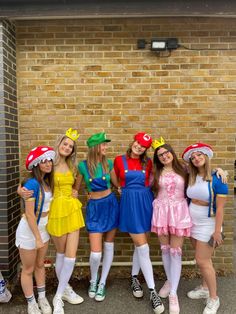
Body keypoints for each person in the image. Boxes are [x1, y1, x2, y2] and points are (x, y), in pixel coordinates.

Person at [19, 128, 85, 314]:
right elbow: (32, 181)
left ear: (73, 150)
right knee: (62, 254)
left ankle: (58, 296)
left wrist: (75, 192)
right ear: (59, 145)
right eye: (65, 144)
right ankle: (63, 290)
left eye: (70, 146)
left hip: (72, 209)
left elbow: (75, 187)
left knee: (71, 257)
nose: (67, 147)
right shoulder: (49, 165)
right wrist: (20, 191)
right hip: (55, 211)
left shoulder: (73, 166)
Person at [114, 132, 165, 314]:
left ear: (145, 149)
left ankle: (134, 277)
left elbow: (170, 168)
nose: (139, 147)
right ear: (133, 141)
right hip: (130, 204)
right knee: (143, 247)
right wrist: (119, 188)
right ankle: (153, 291)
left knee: (141, 244)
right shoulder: (119, 160)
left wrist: (217, 171)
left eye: (143, 146)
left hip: (146, 202)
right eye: (138, 143)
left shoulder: (149, 163)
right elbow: (114, 176)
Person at [182, 142, 228, 314]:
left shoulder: (218, 178)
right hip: (192, 222)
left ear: (206, 156)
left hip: (208, 225)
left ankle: (214, 298)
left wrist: (217, 231)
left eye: (199, 155)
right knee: (204, 260)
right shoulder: (192, 176)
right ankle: (204, 287)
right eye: (193, 157)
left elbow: (221, 208)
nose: (196, 158)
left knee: (202, 260)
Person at [75, 132, 119, 302]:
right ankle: (93, 280)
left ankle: (102, 282)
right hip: (94, 208)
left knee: (108, 245)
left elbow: (116, 184)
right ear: (95, 147)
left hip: (110, 205)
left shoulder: (108, 163)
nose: (106, 147)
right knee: (95, 254)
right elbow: (75, 189)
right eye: (103, 145)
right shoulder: (82, 166)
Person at [151, 137, 192, 314]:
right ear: (157, 159)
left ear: (172, 153)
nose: (164, 156)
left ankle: (173, 293)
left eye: (166, 152)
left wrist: (220, 170)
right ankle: (169, 280)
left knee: (176, 251)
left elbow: (204, 172)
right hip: (161, 211)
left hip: (179, 211)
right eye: (160, 155)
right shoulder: (155, 172)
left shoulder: (184, 168)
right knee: (165, 249)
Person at [15, 145, 55, 314]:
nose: (48, 164)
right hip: (29, 231)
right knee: (28, 268)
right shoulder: (33, 183)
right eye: (43, 161)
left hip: (43, 230)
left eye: (49, 160)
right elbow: (30, 214)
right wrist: (37, 238)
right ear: (37, 164)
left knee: (40, 265)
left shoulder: (47, 181)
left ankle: (42, 297)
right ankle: (31, 303)